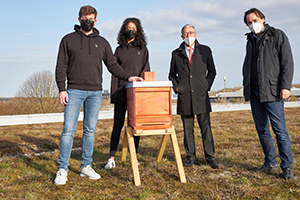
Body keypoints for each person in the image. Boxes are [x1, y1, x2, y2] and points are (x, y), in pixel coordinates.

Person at [54, 5, 143, 185]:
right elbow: (61, 65)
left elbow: (112, 65)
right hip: (73, 90)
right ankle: (62, 169)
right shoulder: (68, 40)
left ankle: (86, 166)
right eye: (85, 17)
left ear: (96, 20)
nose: (88, 20)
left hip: (95, 92)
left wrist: (128, 77)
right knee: (68, 131)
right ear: (79, 19)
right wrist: (61, 89)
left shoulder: (102, 42)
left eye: (91, 18)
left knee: (89, 131)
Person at [242, 8, 294, 180]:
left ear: (262, 19)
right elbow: (247, 65)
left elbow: (287, 62)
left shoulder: (277, 35)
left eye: (254, 20)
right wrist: (246, 87)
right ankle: (270, 162)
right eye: (249, 23)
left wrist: (285, 86)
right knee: (262, 130)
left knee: (280, 130)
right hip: (255, 91)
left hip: (273, 91)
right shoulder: (250, 40)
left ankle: (287, 167)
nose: (252, 25)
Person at [168, 24, 219, 169]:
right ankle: (190, 157)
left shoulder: (205, 50)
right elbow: (172, 74)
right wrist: (177, 87)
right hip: (185, 96)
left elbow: (212, 71)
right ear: (182, 36)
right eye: (185, 33)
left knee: (206, 128)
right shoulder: (176, 53)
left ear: (196, 34)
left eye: (191, 32)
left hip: (201, 96)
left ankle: (210, 157)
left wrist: (206, 86)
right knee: (187, 129)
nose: (188, 35)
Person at [104, 17, 150, 169]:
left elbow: (146, 71)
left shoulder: (143, 49)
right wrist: (114, 95)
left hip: (136, 94)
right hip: (121, 92)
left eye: (134, 28)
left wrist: (143, 93)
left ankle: (134, 157)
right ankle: (111, 157)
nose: (131, 30)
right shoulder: (118, 50)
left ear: (138, 31)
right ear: (124, 30)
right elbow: (114, 72)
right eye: (129, 27)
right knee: (117, 125)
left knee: (134, 126)